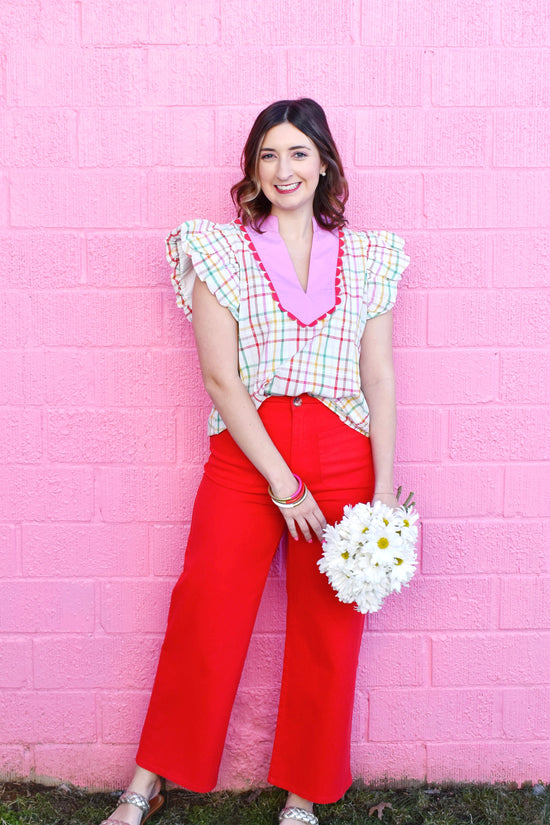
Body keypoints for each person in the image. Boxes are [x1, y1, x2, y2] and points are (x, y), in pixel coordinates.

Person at [99, 98, 409, 825]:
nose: (284, 168)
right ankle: (147, 781)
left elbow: (381, 378)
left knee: (330, 630)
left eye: (299, 152)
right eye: (268, 155)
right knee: (206, 611)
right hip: (250, 455)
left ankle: (303, 794)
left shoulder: (371, 257)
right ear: (253, 170)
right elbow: (220, 378)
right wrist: (283, 481)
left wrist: (384, 492)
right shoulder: (221, 250)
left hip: (342, 449)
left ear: (324, 162)